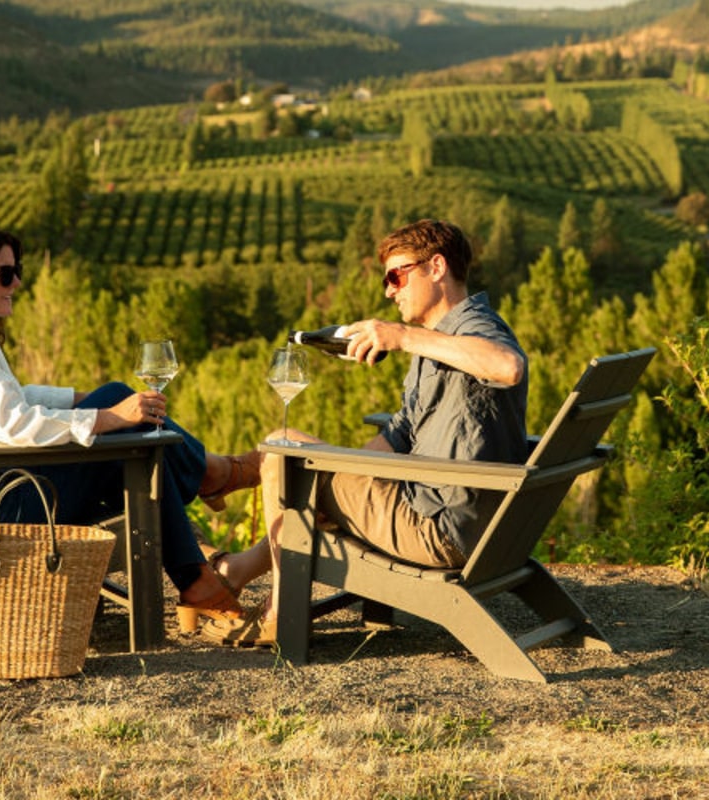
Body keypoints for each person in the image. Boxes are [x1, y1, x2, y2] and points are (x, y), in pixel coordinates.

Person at [0, 221, 260, 633]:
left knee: (113, 399)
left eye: (18, 271)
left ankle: (199, 554)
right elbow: (15, 423)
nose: (16, 282)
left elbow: (6, 397)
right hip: (1, 507)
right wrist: (108, 417)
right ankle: (209, 489)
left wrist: (82, 401)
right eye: (4, 273)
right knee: (126, 435)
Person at [203, 218, 529, 646]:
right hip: (470, 521)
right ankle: (238, 566)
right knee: (290, 450)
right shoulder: (437, 341)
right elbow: (399, 436)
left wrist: (402, 336)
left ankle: (280, 611)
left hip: (441, 527)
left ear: (436, 267)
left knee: (284, 458)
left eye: (396, 276)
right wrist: (333, 476)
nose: (389, 290)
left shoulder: (473, 328)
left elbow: (508, 367)